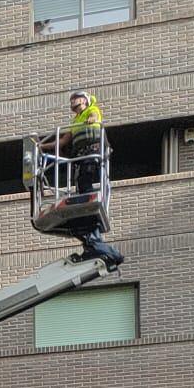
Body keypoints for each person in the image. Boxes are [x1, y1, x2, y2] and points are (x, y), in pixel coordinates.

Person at [52, 89, 124, 267]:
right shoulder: (75, 121)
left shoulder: (92, 110)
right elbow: (63, 141)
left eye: (75, 99)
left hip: (92, 154)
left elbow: (94, 117)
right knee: (84, 205)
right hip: (81, 159)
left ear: (84, 100)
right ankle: (97, 248)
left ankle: (107, 252)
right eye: (71, 100)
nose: (72, 102)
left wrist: (92, 119)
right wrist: (41, 146)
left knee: (86, 188)